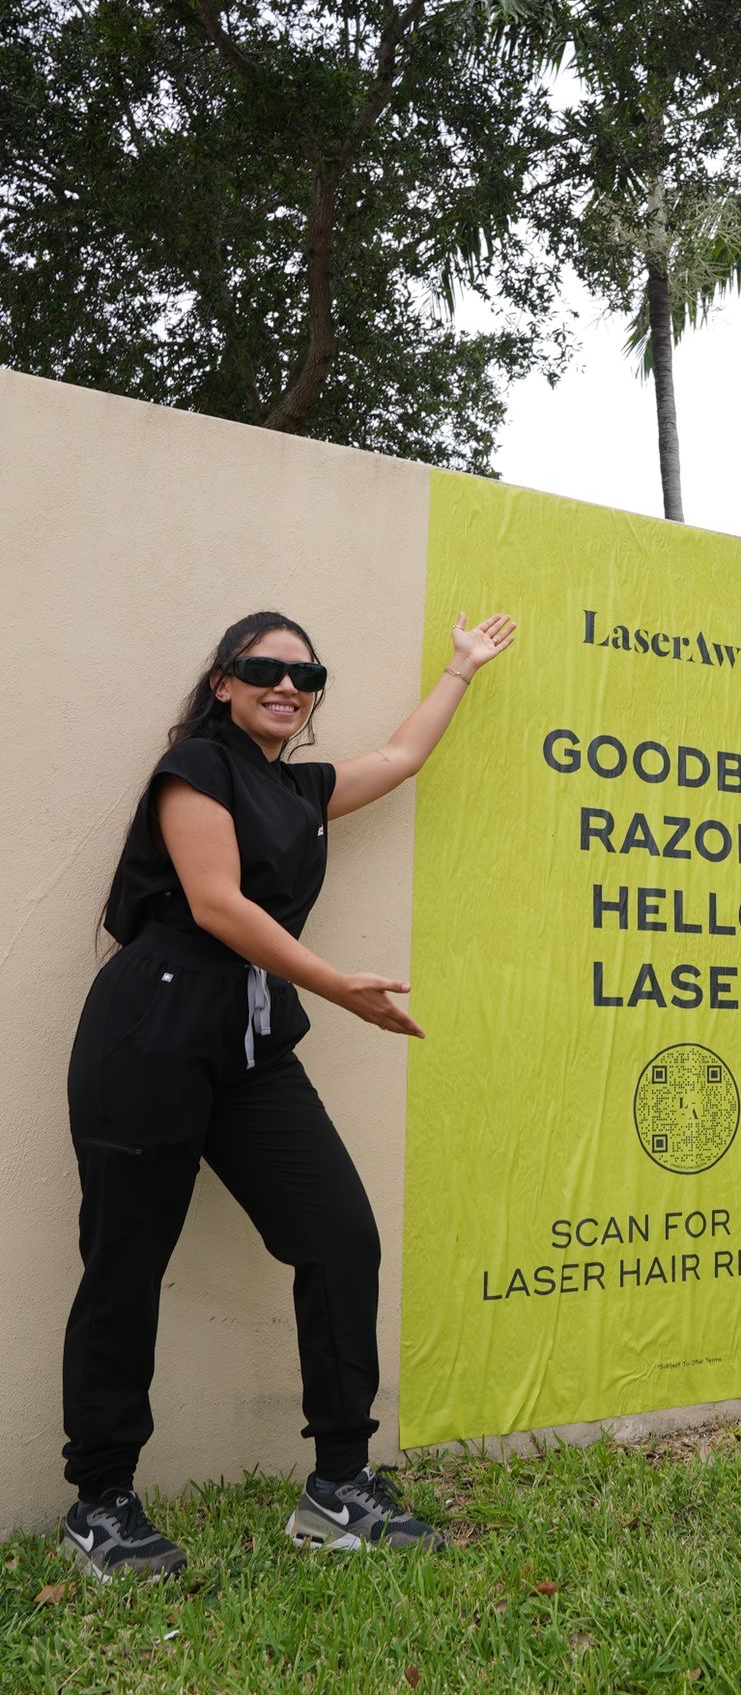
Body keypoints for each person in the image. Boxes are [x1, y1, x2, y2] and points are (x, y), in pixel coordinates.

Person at [60, 606, 514, 1578]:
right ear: (222, 681)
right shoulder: (197, 767)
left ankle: (338, 1486)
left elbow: (397, 758)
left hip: (252, 1041)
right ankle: (100, 1502)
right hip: (152, 1028)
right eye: (264, 668)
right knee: (126, 1263)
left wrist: (461, 669)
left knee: (339, 1234)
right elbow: (216, 902)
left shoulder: (301, 788)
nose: (287, 686)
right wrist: (336, 983)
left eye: (306, 676)